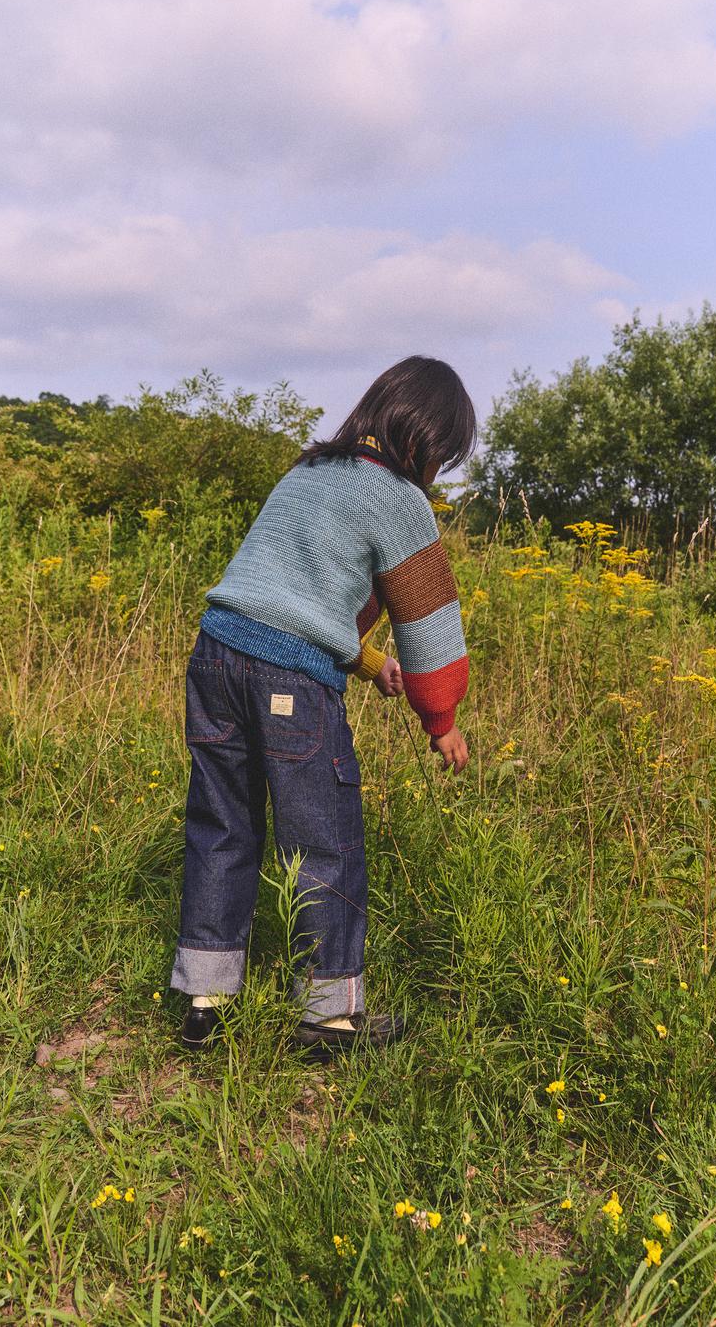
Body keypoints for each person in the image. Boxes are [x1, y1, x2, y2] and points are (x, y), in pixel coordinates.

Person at [169, 355, 475, 1056]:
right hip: (291, 683)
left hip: (215, 656)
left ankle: (205, 1001)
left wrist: (366, 664)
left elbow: (291, 591)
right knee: (323, 841)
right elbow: (428, 622)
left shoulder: (306, 472)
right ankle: (329, 1018)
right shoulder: (399, 500)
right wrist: (442, 721)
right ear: (427, 438)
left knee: (222, 826)